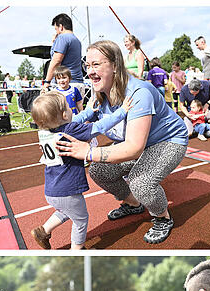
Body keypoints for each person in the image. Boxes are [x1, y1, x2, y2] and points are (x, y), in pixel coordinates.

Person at [56, 40, 189, 245]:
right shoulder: (98, 92)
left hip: (167, 140)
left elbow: (134, 148)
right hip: (140, 142)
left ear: (115, 66)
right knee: (99, 171)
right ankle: (133, 204)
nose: (90, 71)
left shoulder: (138, 93)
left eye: (96, 65)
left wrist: (89, 153)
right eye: (87, 65)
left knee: (140, 181)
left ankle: (163, 218)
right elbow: (86, 123)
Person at [29, 90, 134, 250]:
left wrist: (87, 112)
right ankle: (77, 250)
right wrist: (122, 111)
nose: (71, 110)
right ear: (64, 115)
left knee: (66, 211)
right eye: (68, 107)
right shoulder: (70, 130)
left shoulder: (46, 132)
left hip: (52, 189)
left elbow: (74, 120)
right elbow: (98, 127)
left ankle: (43, 231)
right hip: (67, 190)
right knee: (81, 220)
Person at [44, 13, 84, 85]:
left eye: (56, 29)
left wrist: (47, 81)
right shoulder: (76, 40)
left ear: (61, 27)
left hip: (64, 83)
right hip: (77, 81)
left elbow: (56, 61)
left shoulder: (62, 38)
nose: (56, 32)